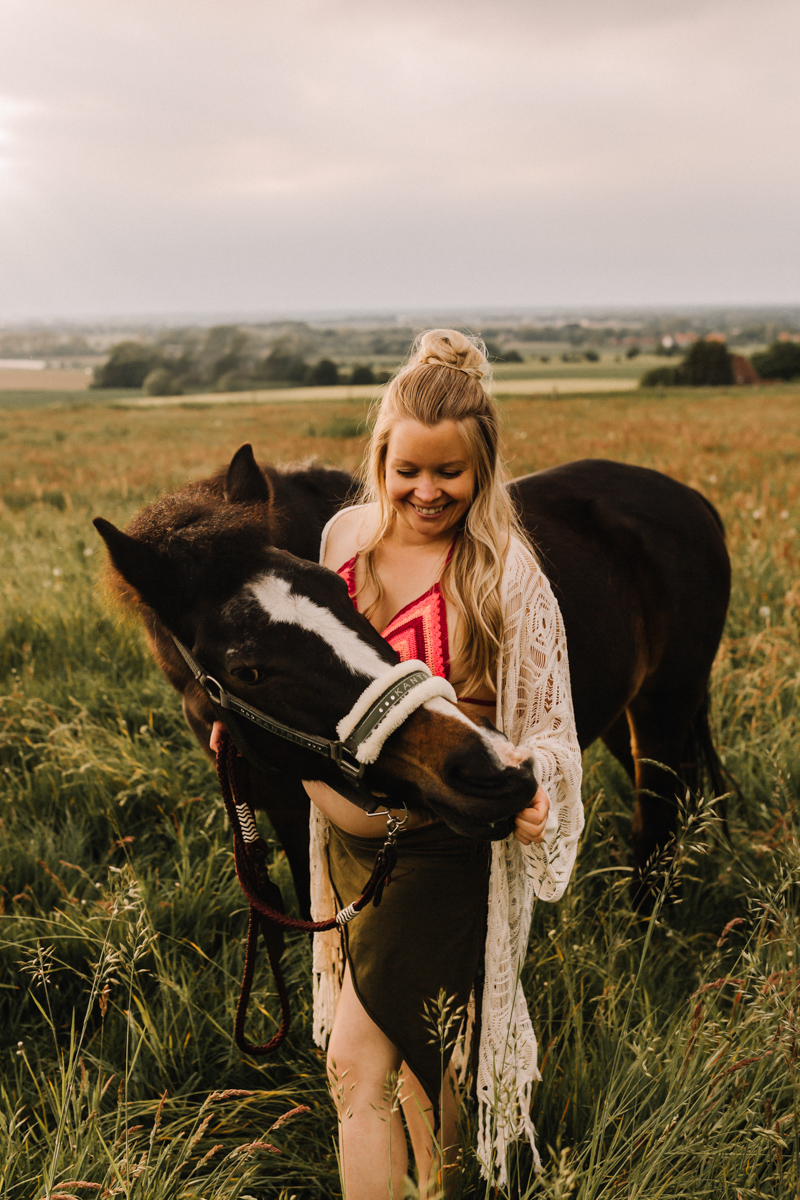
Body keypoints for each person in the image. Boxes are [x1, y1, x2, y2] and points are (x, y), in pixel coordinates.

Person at [303, 329, 584, 1198]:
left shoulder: (503, 573)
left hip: (438, 847)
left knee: (356, 1065)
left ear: (483, 469)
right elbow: (316, 672)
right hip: (348, 839)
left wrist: (534, 789)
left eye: (449, 474)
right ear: (380, 457)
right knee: (425, 1060)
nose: (427, 493)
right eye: (407, 471)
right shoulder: (343, 539)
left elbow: (550, 731)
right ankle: (442, 1187)